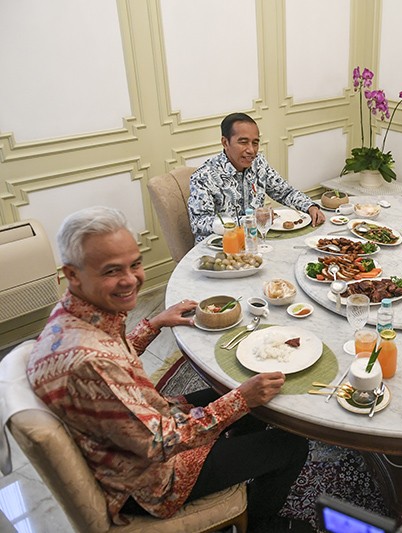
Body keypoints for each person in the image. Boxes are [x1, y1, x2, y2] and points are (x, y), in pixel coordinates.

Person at [26, 206, 310, 531]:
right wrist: (241, 400)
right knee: (289, 443)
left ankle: (238, 455)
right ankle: (261, 524)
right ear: (72, 274)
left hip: (135, 435)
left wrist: (153, 324)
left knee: (236, 389)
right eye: (111, 271)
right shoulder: (91, 362)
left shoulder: (70, 314)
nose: (130, 280)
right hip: (152, 480)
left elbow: (114, 364)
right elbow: (159, 443)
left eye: (135, 264)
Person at [188, 112, 325, 242]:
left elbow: (285, 192)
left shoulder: (258, 164)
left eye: (255, 143)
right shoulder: (203, 177)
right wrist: (250, 220)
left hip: (256, 242)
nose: (251, 150)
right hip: (220, 250)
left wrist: (310, 206)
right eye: (243, 142)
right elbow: (199, 223)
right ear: (225, 142)